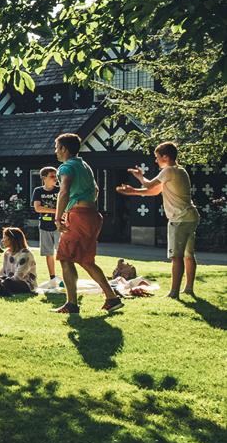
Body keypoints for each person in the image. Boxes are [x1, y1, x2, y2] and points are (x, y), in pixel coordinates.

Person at [116, 141, 201, 298]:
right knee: (189, 255)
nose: (155, 160)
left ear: (165, 157)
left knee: (176, 256)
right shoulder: (179, 171)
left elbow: (149, 186)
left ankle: (174, 293)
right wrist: (133, 191)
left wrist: (140, 177)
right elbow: (155, 191)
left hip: (179, 219)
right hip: (191, 217)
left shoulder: (168, 171)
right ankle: (189, 288)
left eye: (157, 157)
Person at [51, 133, 124, 314]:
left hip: (78, 215)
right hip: (92, 215)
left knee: (65, 258)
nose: (55, 151)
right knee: (86, 260)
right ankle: (112, 298)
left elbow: (64, 191)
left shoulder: (66, 167)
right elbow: (96, 189)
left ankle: (72, 304)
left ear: (64, 149)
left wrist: (58, 217)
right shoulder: (84, 166)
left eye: (56, 147)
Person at [32, 167, 62, 281]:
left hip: (60, 225)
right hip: (44, 226)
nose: (55, 179)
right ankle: (52, 277)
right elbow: (38, 208)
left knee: (62, 253)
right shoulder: (38, 191)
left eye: (56, 176)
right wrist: (56, 211)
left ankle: (66, 275)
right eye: (52, 176)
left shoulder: (60, 190)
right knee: (48, 253)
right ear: (44, 178)